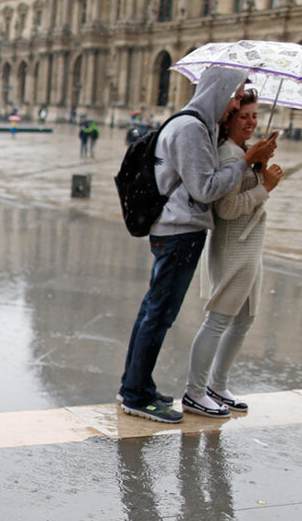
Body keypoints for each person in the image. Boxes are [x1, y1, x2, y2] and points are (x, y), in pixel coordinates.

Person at [117, 67, 276, 423]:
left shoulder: (195, 126)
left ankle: (136, 384)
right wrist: (247, 164)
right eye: (235, 97)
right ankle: (135, 394)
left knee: (154, 312)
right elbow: (205, 189)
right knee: (159, 314)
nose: (235, 105)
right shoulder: (191, 128)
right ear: (219, 92)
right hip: (178, 231)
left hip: (178, 229)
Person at [184, 90, 283, 417]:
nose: (252, 122)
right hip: (234, 248)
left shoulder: (243, 153)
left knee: (243, 320)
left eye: (255, 116)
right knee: (218, 320)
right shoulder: (229, 154)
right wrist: (264, 186)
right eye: (244, 116)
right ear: (227, 120)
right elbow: (226, 209)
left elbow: (246, 194)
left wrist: (259, 165)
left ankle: (217, 384)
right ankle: (195, 392)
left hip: (250, 248)